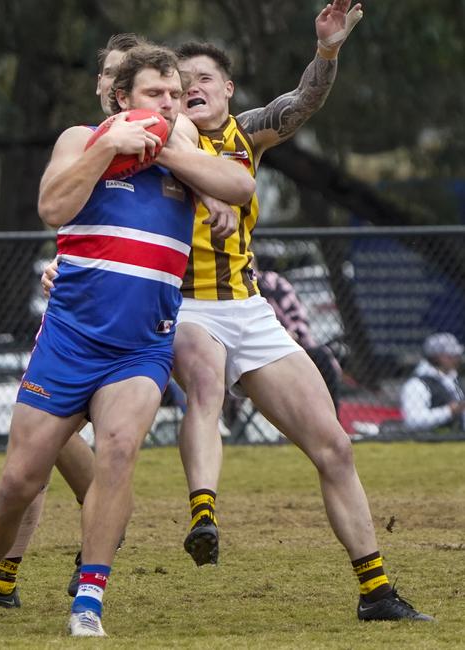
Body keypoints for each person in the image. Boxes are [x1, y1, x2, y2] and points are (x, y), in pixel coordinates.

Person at [0, 43, 254, 637]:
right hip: (71, 341)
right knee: (20, 480)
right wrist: (107, 148)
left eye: (176, 95)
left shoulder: (183, 151)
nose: (171, 104)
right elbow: (52, 206)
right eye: (156, 94)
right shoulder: (81, 139)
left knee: (119, 453)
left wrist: (187, 169)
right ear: (122, 97)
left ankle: (89, 603)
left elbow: (239, 185)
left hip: (141, 347)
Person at [168, 0, 431, 621]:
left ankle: (377, 592)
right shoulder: (156, 139)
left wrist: (328, 50)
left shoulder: (247, 131)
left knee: (335, 446)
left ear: (228, 89)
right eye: (181, 84)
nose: (192, 88)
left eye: (204, 78)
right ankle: (203, 513)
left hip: (248, 307)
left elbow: (303, 103)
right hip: (183, 306)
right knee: (206, 386)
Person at [256, 266, 342, 412]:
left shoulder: (272, 283)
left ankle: (332, 418)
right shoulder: (231, 293)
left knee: (321, 357)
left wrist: (285, 336)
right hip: (257, 356)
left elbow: (299, 326)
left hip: (288, 347)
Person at [401, 332, 465, 433]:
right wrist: (449, 411)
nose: (456, 358)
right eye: (450, 355)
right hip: (429, 441)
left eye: (456, 355)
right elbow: (412, 421)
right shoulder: (417, 384)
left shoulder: (455, 380)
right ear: (436, 357)